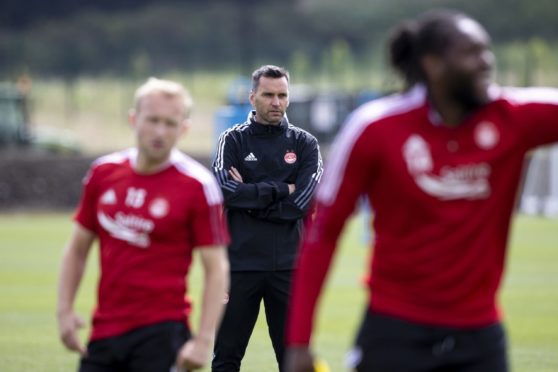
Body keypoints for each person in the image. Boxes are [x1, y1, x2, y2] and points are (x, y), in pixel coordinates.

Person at [285, 9, 558, 372]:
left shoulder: (512, 117)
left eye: (486, 50)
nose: (486, 62)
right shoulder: (375, 128)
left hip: (480, 338)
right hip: (395, 334)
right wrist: (299, 343)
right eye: (472, 52)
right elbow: (323, 233)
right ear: (432, 64)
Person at [56, 77, 230, 372]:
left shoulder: (198, 185)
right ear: (134, 119)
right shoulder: (103, 173)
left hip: (162, 335)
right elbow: (77, 248)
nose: (160, 132)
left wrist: (204, 340)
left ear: (183, 129)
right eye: (152, 120)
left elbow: (217, 268)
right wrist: (64, 311)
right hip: (104, 332)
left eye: (170, 123)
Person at [212, 65, 323, 371]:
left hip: (289, 267)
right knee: (225, 359)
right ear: (252, 97)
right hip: (239, 266)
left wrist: (250, 195)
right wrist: (281, 188)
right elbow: (225, 191)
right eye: (268, 95)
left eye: (282, 95)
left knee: (292, 361)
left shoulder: (305, 143)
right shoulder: (231, 141)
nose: (276, 102)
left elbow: (303, 202)